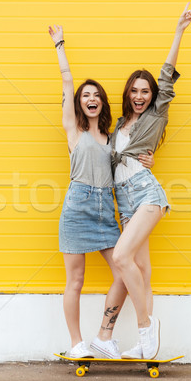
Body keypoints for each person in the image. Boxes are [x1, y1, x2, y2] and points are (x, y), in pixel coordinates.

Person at [48, 25, 155, 359]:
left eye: (96, 95)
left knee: (125, 271)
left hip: (105, 212)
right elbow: (67, 82)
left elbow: (129, 157)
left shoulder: (111, 138)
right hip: (77, 208)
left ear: (101, 103)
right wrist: (60, 46)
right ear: (79, 104)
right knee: (75, 282)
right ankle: (77, 344)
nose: (91, 99)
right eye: (85, 96)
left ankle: (103, 337)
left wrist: (147, 159)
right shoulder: (73, 130)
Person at [109, 3, 191, 360]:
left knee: (120, 257)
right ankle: (146, 343)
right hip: (125, 201)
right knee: (140, 269)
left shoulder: (156, 115)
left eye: (146, 91)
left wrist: (179, 31)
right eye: (136, 91)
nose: (141, 96)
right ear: (129, 93)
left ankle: (147, 326)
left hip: (146, 194)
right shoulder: (118, 125)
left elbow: (166, 76)